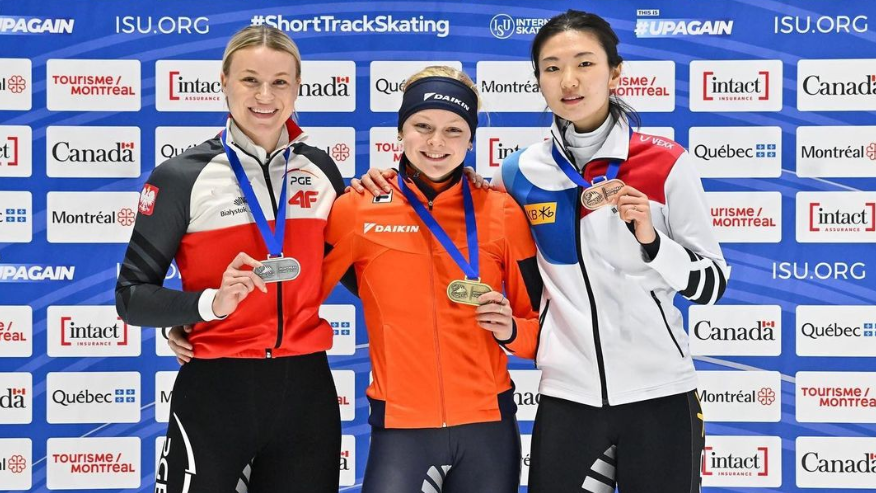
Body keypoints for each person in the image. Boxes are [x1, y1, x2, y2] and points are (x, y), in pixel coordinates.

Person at [170, 66, 543, 492]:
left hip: (489, 427)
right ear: (400, 133)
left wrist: (511, 331)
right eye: (422, 126)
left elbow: (539, 332)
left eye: (453, 130)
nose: (436, 143)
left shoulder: (503, 213)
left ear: (471, 139)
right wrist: (197, 319)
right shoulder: (357, 209)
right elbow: (292, 298)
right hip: (400, 430)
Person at [493, 10, 730, 493]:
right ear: (538, 80)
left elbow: (712, 284)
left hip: (660, 393)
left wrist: (653, 242)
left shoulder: (665, 162)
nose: (569, 80)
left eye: (585, 63)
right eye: (552, 67)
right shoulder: (517, 173)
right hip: (567, 395)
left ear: (615, 73)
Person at [115, 25, 343, 492]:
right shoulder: (181, 176)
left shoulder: (320, 170)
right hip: (215, 392)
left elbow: (363, 272)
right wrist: (207, 305)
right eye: (250, 80)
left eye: (280, 82)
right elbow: (131, 297)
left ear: (298, 87)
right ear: (223, 82)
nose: (265, 96)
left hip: (305, 393)